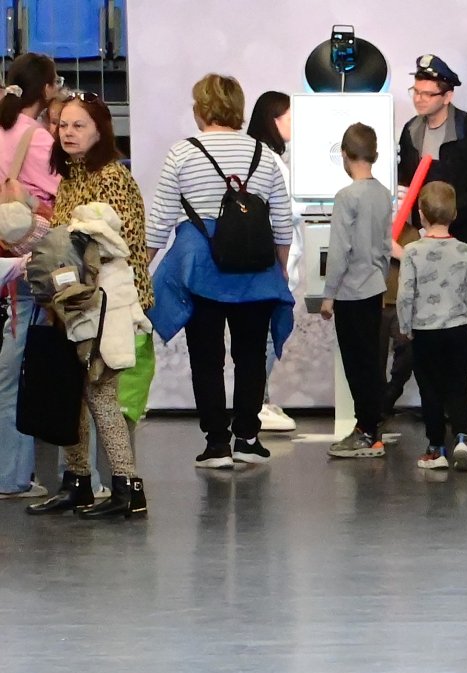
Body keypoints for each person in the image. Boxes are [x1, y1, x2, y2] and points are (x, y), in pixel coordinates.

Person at [145, 73, 295, 470]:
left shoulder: (182, 153)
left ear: (201, 109)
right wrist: (278, 271)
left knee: (206, 358)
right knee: (250, 356)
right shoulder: (265, 155)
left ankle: (216, 444)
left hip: (201, 267)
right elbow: (281, 222)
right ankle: (247, 435)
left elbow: (159, 221)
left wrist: (139, 270)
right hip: (256, 269)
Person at [27, 94, 153, 517]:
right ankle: (77, 481)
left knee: (102, 395)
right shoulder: (71, 178)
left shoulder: (113, 177)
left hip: (108, 306)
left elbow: (120, 248)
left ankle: (127, 488)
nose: (68, 132)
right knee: (71, 395)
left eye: (79, 125)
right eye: (63, 125)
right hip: (72, 304)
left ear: (100, 130)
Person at [387, 56, 467, 415]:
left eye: (427, 93)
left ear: (447, 96)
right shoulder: (411, 132)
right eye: (416, 92)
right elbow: (403, 183)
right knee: (411, 326)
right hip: (419, 240)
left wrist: (452, 214)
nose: (419, 99)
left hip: (463, 240)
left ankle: (455, 409)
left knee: (456, 325)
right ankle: (399, 397)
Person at [0, 51, 60, 500]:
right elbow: (64, 195)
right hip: (24, 262)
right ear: (46, 89)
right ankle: (15, 475)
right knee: (21, 371)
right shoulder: (37, 139)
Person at [322, 124, 394, 461]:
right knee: (372, 362)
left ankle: (365, 432)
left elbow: (338, 252)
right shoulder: (382, 194)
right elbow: (383, 246)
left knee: (356, 364)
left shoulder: (346, 197)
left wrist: (328, 294)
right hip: (374, 287)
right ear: (375, 155)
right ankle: (372, 428)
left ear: (345, 156)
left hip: (350, 292)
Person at [396, 182, 467, 472]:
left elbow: (406, 293)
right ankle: (462, 438)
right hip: (458, 328)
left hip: (425, 332)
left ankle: (435, 448)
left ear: (421, 214)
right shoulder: (464, 250)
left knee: (429, 389)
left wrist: (405, 326)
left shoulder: (412, 252)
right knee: (458, 387)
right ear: (454, 214)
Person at [246, 90, 300, 434]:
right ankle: (254, 404)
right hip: (270, 264)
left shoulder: (268, 155)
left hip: (266, 263)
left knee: (262, 335)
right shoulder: (270, 160)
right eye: (291, 117)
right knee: (265, 337)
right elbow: (288, 211)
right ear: (274, 120)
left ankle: (260, 399)